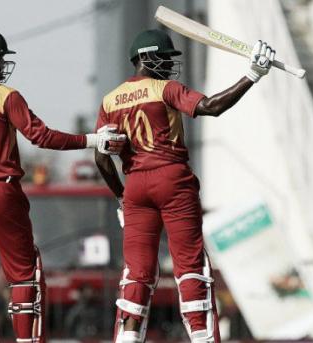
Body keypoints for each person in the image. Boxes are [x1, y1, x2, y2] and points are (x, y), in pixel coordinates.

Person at [0, 29, 126, 343]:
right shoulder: (5, 96)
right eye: (0, 59)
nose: (3, 65)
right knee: (24, 272)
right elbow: (40, 136)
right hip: (0, 190)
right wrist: (92, 139)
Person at [94, 29, 275, 343]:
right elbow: (212, 106)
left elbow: (101, 160)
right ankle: (201, 337)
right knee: (189, 265)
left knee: (137, 271)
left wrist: (122, 197)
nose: (168, 64)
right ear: (147, 57)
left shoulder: (110, 100)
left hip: (135, 186)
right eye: (164, 58)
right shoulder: (165, 89)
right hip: (172, 179)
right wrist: (252, 75)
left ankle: (127, 337)